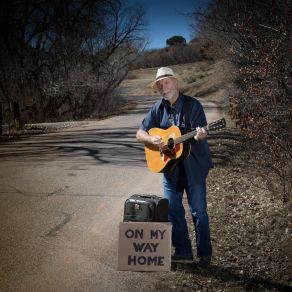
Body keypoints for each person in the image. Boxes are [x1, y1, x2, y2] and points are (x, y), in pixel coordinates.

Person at [136, 67, 213, 267]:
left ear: (176, 83)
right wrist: (152, 140)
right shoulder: (158, 107)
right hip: (170, 170)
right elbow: (139, 133)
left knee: (199, 212)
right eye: (160, 85)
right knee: (173, 210)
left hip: (193, 168)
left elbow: (199, 134)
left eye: (167, 82)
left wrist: (200, 135)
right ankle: (183, 252)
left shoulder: (193, 106)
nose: (164, 87)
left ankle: (205, 255)